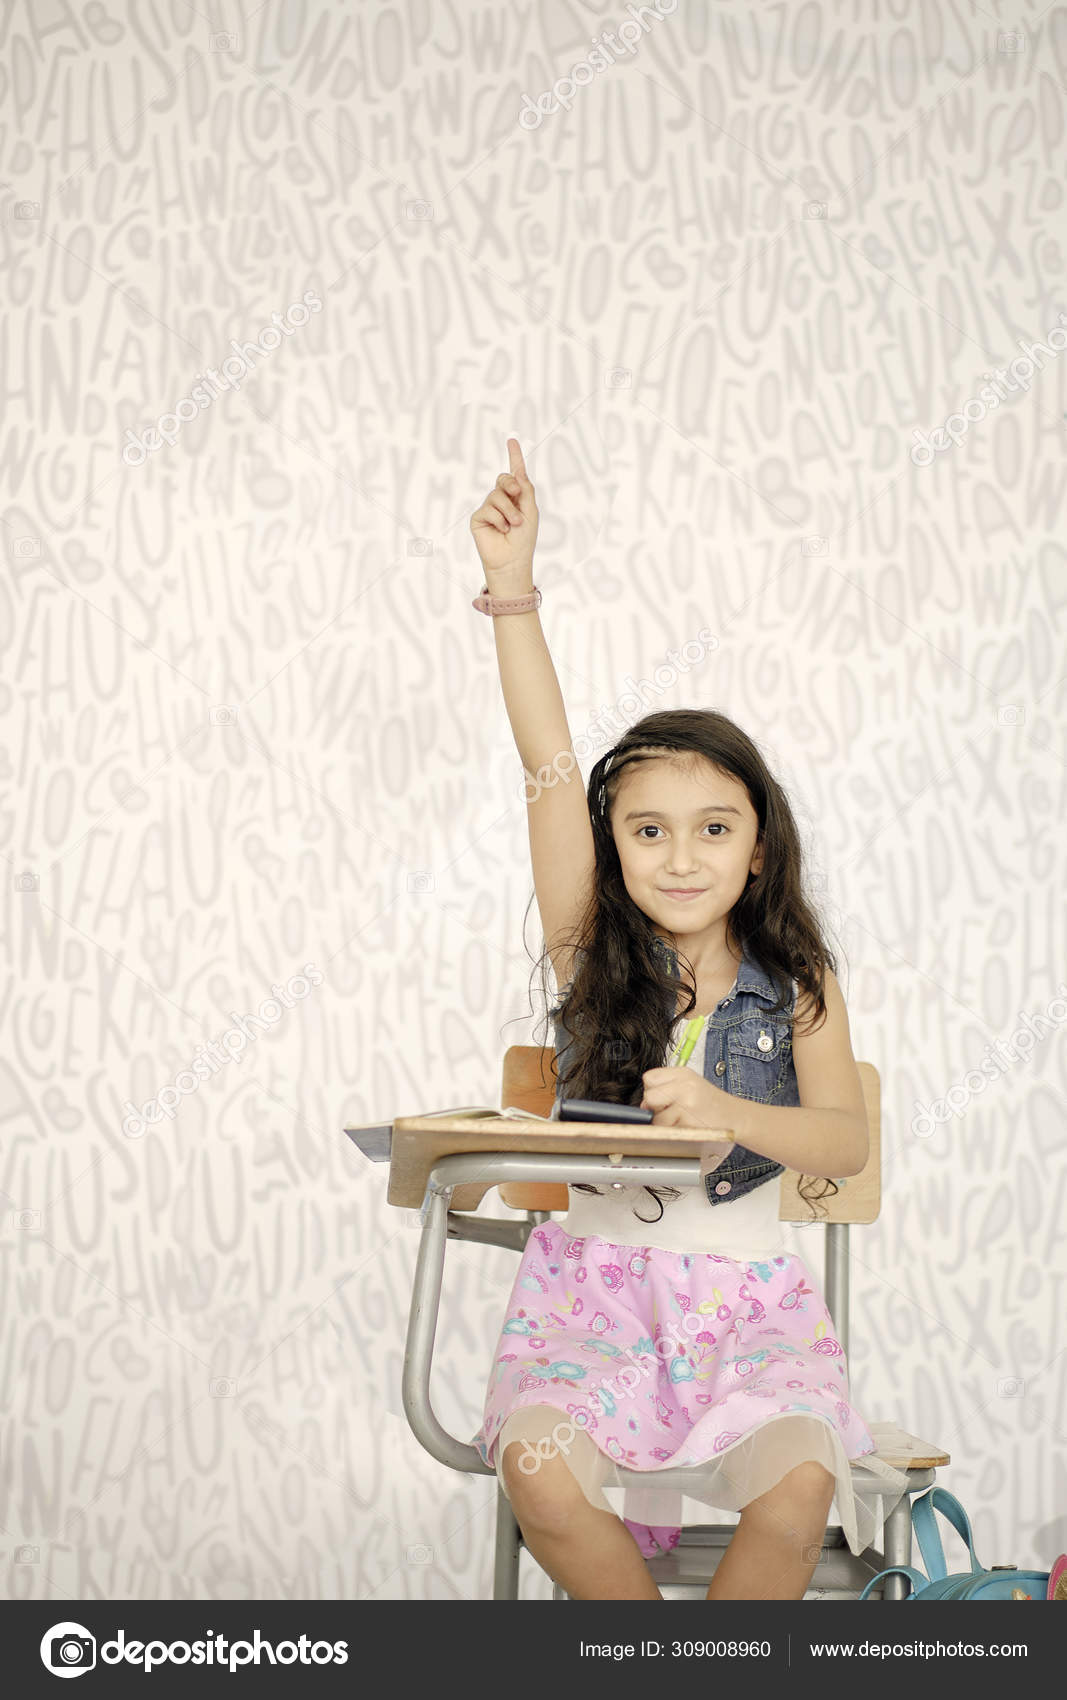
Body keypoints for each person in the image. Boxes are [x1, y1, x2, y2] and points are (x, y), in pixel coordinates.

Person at [467, 438, 910, 1601]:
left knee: (798, 1485)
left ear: (756, 845)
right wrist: (513, 591)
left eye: (712, 827)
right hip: (593, 1299)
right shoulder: (587, 950)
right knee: (537, 1464)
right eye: (646, 828)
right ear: (613, 848)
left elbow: (842, 1139)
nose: (678, 854)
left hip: (745, 1308)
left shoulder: (798, 979)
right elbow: (548, 766)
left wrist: (724, 1111)